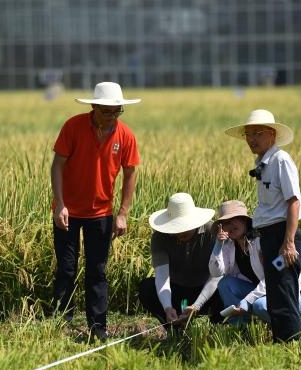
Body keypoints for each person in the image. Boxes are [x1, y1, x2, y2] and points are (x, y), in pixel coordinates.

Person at [50, 82, 141, 342]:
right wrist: (60, 203)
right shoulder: (73, 127)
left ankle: (98, 327)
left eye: (116, 111)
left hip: (101, 213)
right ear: (93, 107)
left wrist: (122, 213)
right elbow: (57, 166)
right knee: (67, 268)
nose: (112, 117)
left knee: (97, 270)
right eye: (106, 111)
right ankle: (59, 321)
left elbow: (130, 172)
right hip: (68, 210)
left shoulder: (125, 135)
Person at [223, 110, 301, 343]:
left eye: (257, 133)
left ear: (272, 134)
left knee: (284, 289)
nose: (251, 139)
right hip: (268, 237)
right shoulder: (262, 164)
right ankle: (282, 342)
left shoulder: (281, 160)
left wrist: (288, 242)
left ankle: (293, 343)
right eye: (248, 134)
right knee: (275, 294)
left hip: (281, 237)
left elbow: (294, 201)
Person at [211, 200, 301, 325]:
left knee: (260, 305)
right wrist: (217, 246)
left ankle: (288, 327)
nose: (230, 225)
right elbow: (215, 272)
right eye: (225, 223)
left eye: (234, 219)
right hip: (262, 291)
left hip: (288, 292)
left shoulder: (261, 241)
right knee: (225, 283)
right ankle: (240, 325)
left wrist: (247, 300)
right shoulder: (229, 245)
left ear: (244, 220)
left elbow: (274, 275)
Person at [138, 193, 224, 327]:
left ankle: (215, 327)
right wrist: (167, 307)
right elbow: (162, 277)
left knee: (227, 285)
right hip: (176, 290)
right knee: (146, 288)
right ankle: (173, 326)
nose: (180, 233)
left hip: (207, 290)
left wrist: (197, 305)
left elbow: (216, 277)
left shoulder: (211, 231)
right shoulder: (160, 238)